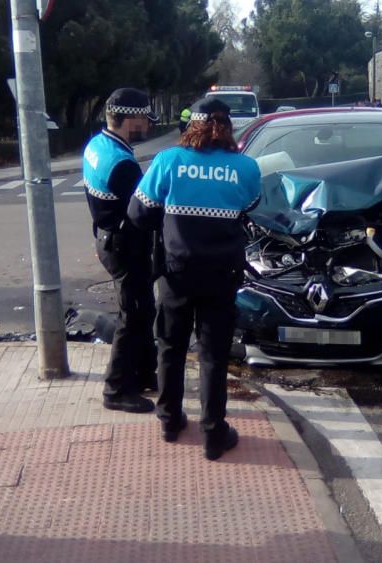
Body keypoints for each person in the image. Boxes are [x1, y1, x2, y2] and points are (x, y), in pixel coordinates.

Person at [128, 98, 261, 461]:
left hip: (176, 273)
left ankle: (170, 420)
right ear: (227, 127)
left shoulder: (168, 161)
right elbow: (252, 207)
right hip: (222, 274)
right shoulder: (245, 167)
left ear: (191, 126)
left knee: (170, 346)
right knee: (214, 355)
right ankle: (214, 434)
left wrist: (170, 222)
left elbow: (137, 213)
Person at [82, 88, 160, 413]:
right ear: (130, 119)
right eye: (144, 118)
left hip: (107, 238)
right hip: (126, 247)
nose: (147, 125)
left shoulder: (97, 145)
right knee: (134, 316)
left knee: (142, 311)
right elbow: (147, 210)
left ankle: (143, 374)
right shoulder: (122, 165)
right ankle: (116, 391)